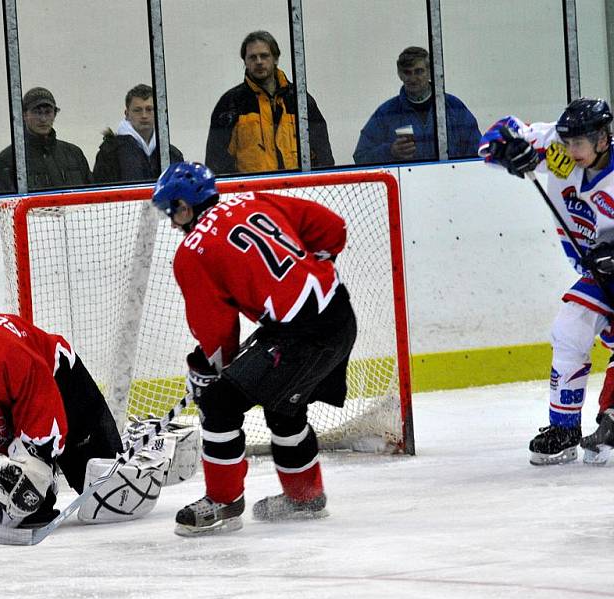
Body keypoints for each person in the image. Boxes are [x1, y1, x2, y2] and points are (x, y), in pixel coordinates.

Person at [151, 162, 357, 536]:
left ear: (185, 205)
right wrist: (315, 266)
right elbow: (332, 227)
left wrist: (210, 370)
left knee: (218, 402)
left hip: (300, 338)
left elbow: (215, 330)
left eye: (172, 211)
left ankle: (224, 502)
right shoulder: (254, 201)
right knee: (284, 406)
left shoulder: (192, 251)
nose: (173, 223)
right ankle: (304, 497)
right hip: (339, 313)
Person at [0, 313, 198, 536]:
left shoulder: (8, 358)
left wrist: (33, 464)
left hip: (61, 382)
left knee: (109, 498)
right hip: (3, 406)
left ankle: (157, 445)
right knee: (29, 509)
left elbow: (43, 420)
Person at [478, 97, 614, 465]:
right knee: (569, 330)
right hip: (598, 275)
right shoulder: (558, 145)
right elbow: (494, 134)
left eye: (580, 143)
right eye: (568, 142)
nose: (571, 151)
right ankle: (564, 429)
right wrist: (507, 152)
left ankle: (611, 423)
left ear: (603, 139)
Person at [205, 30, 334, 175]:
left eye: (264, 56)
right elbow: (216, 163)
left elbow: (323, 154)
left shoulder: (299, 100)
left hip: (298, 190)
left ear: (275, 59)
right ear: (245, 62)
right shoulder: (230, 104)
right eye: (252, 57)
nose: (259, 61)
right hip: (252, 194)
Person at [353, 46, 481, 165]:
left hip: (451, 183)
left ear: (430, 71)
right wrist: (390, 151)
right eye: (407, 73)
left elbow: (478, 152)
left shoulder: (454, 108)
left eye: (418, 71)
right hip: (406, 187)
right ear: (399, 74)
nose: (413, 78)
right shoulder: (386, 113)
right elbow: (361, 157)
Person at [0, 87, 92, 193]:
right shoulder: (7, 160)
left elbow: (93, 196)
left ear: (54, 114)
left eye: (48, 112)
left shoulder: (74, 154)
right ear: (24, 115)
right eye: (37, 112)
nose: (43, 119)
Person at [92, 84, 184, 184]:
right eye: (137, 110)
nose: (144, 115)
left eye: (149, 109)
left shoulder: (172, 154)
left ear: (158, 112)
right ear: (127, 114)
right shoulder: (110, 153)